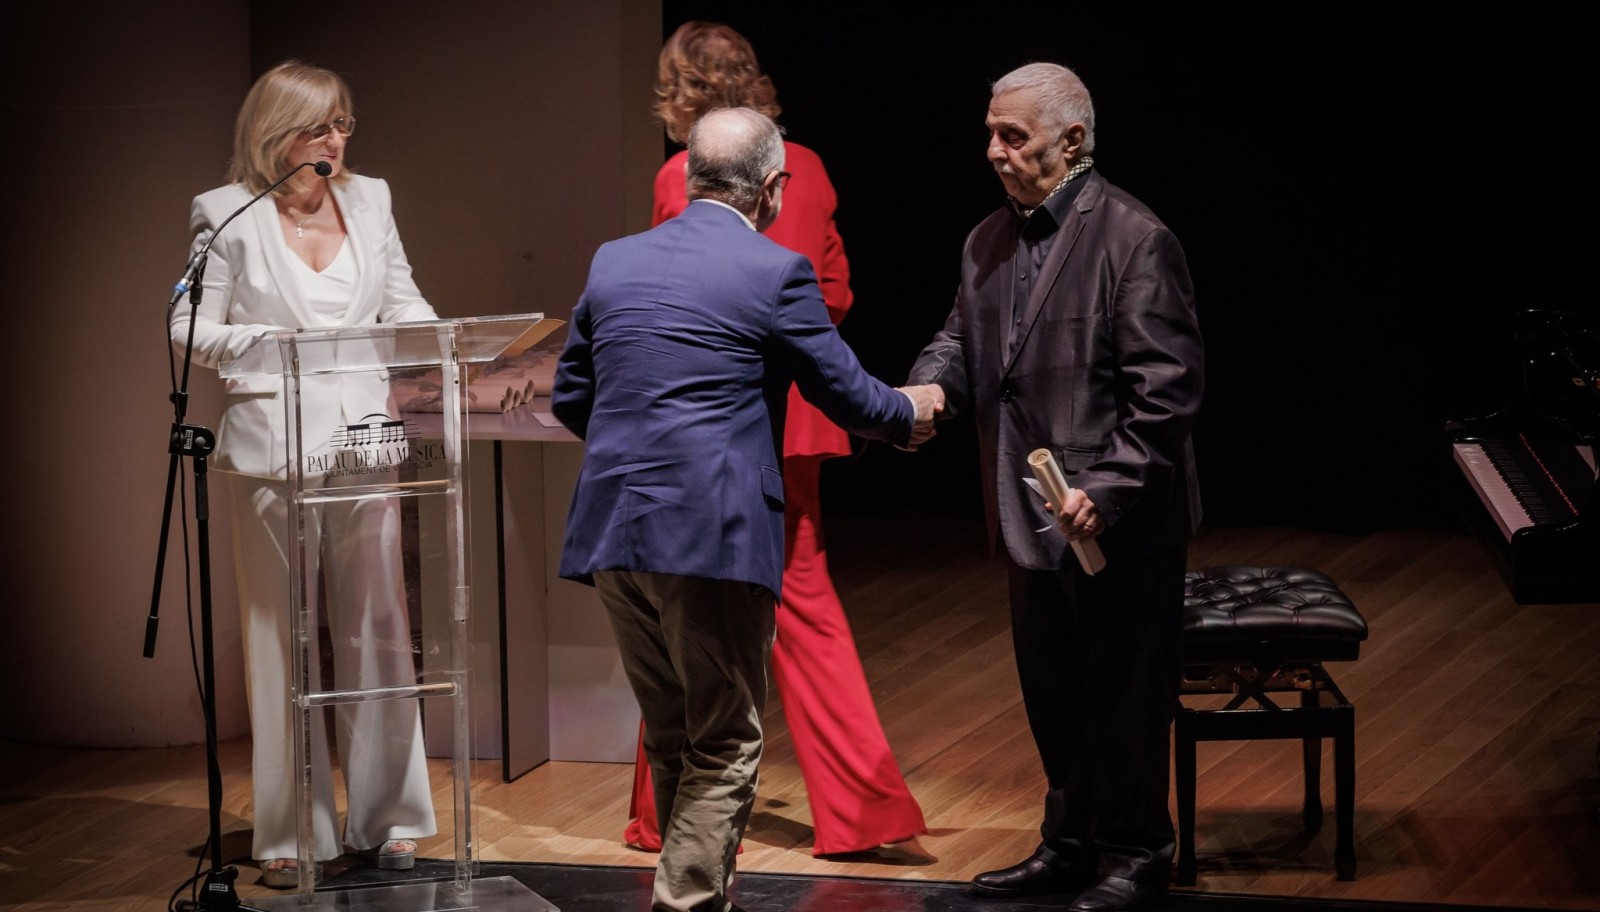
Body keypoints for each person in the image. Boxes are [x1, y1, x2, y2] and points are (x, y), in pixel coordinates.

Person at [551, 106, 941, 912]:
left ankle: (697, 892)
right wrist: (912, 413)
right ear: (773, 187)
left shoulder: (614, 261)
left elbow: (570, 398)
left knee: (672, 732)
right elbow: (846, 394)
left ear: (692, 173)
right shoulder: (775, 272)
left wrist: (638, 453)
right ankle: (687, 904)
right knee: (724, 739)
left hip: (615, 531)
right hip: (710, 533)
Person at [622, 19, 930, 860]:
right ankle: (864, 812)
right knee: (806, 608)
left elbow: (674, 300)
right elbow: (835, 290)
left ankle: (662, 816)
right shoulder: (814, 169)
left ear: (680, 92)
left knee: (680, 612)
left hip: (712, 425)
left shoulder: (673, 179)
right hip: (798, 415)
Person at [902, 62, 1204, 912]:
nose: (993, 150)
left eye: (1013, 136)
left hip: (1118, 523)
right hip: (1027, 513)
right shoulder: (986, 241)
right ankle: (1069, 843)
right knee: (1054, 692)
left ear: (1072, 141)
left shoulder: (1134, 239)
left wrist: (1106, 488)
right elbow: (959, 342)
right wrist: (925, 391)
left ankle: (1137, 852)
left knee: (1124, 691)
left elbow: (1167, 390)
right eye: (991, 133)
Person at [167, 59, 437, 889]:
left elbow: (403, 300)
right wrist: (263, 349)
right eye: (321, 125)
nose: (336, 141)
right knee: (279, 636)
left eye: (344, 124)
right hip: (271, 449)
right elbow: (187, 324)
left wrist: (443, 342)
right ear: (275, 130)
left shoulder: (372, 198)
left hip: (363, 442)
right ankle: (290, 831)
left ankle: (390, 819)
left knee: (377, 629)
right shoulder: (226, 212)